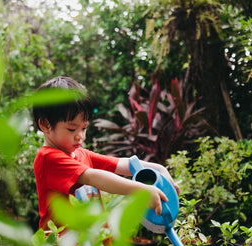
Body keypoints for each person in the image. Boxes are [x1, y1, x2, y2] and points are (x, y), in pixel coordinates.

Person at [32, 76, 179, 232]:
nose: (80, 136)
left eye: (84, 128)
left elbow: (123, 164)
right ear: (46, 124)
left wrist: (159, 169)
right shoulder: (48, 158)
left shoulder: (82, 155)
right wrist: (141, 190)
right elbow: (93, 176)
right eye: (72, 129)